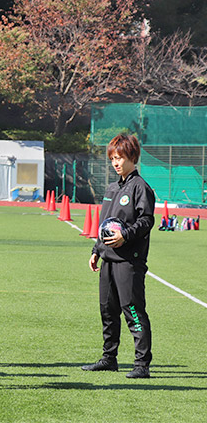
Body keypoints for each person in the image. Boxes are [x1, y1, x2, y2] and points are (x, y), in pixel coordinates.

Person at [82, 133, 154, 379]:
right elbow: (105, 223)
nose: (116, 162)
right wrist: (96, 251)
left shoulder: (140, 188)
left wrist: (126, 236)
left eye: (120, 157)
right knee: (107, 310)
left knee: (132, 310)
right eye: (112, 158)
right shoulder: (113, 188)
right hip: (108, 260)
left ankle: (141, 364)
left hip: (128, 261)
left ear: (132, 157)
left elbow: (147, 221)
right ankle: (108, 358)